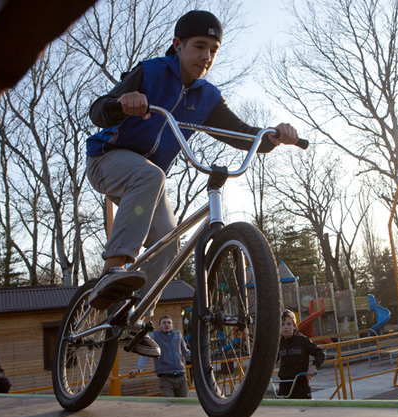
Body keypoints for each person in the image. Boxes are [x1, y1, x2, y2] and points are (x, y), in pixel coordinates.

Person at [85, 10, 300, 358]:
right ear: (178, 45)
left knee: (169, 243)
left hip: (146, 183)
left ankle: (132, 318)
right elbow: (98, 111)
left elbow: (242, 134)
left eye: (213, 50)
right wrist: (124, 103)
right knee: (151, 174)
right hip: (107, 160)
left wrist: (273, 135)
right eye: (199, 47)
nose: (206, 57)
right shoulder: (151, 73)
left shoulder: (206, 98)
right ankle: (114, 269)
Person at [127, 315, 191, 397]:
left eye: (169, 323)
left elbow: (185, 352)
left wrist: (200, 362)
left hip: (181, 376)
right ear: (159, 326)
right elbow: (147, 352)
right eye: (164, 323)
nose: (166, 325)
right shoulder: (154, 335)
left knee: (184, 404)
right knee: (170, 404)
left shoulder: (177, 334)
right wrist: (138, 368)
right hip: (166, 378)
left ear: (172, 325)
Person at [276, 310, 325, 399]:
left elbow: (320, 353)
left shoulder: (302, 341)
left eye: (288, 324)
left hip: (301, 384)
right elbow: (271, 361)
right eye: (282, 325)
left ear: (294, 326)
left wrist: (314, 367)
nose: (285, 328)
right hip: (285, 385)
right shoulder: (278, 344)